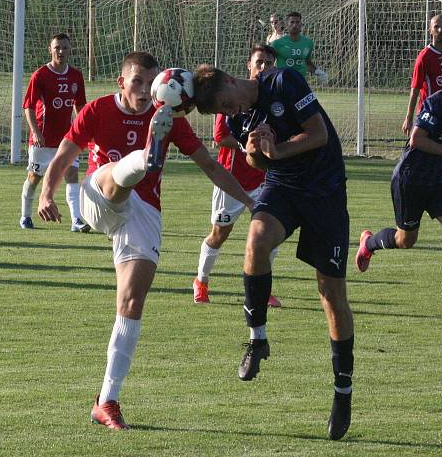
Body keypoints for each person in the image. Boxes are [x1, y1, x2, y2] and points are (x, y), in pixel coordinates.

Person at [37, 52, 254, 430]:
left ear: (161, 86)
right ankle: (144, 157)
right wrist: (46, 194)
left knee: (132, 302)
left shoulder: (172, 118)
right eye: (136, 81)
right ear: (122, 82)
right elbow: (65, 154)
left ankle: (107, 399)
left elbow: (211, 166)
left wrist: (252, 202)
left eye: (149, 82)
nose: (143, 89)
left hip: (143, 214)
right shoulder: (98, 110)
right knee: (116, 177)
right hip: (99, 197)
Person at [193, 62, 355, 440]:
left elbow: (318, 135)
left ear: (231, 81)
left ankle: (342, 390)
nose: (230, 113)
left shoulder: (283, 81)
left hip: (325, 192)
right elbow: (256, 162)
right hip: (282, 187)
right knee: (256, 240)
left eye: (226, 103)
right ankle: (257, 339)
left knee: (331, 295)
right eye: (222, 111)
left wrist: (276, 150)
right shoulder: (238, 119)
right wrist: (254, 151)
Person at [355, 55, 442, 312]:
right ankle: (369, 243)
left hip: (436, 180)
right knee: (406, 240)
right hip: (410, 179)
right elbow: (416, 140)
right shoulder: (435, 103)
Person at [193, 44, 281, 308]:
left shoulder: (273, 96)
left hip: (264, 179)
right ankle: (201, 281)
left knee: (271, 233)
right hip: (232, 179)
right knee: (220, 233)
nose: (263, 67)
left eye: (268, 63)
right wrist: (248, 145)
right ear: (249, 65)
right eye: (259, 62)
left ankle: (262, 291)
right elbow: (221, 137)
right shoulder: (229, 97)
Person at [19, 33, 88, 232]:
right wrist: (36, 131)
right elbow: (28, 106)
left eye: (65, 48)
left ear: (70, 50)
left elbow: (80, 106)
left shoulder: (76, 75)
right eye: (57, 47)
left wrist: (83, 130)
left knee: (72, 174)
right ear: (50, 50)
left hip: (67, 140)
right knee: (34, 178)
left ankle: (76, 220)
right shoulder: (40, 75)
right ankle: (25, 216)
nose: (61, 51)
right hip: (42, 140)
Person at [402, 14, 442, 137]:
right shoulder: (424, 57)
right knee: (423, 150)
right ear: (430, 30)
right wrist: (409, 118)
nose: (440, 30)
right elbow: (415, 89)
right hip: (428, 113)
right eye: (436, 27)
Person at [270, 11, 328, 84]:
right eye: (292, 22)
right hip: (283, 82)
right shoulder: (277, 44)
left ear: (301, 24)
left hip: (301, 83)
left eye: (297, 22)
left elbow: (308, 63)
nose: (294, 25)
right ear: (287, 25)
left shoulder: (308, 43)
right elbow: (269, 62)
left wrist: (319, 72)